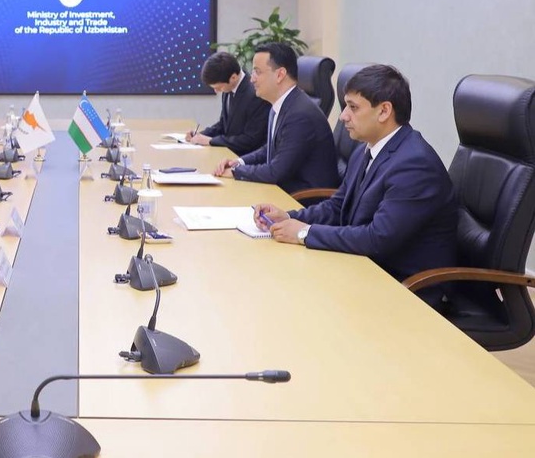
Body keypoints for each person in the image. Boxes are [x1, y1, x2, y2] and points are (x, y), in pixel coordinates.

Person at [252, 65, 458, 301]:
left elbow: (377, 238)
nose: (343, 116)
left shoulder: (415, 165)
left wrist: (303, 233)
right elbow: (337, 206)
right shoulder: (365, 150)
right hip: (365, 267)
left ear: (384, 111)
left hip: (407, 288)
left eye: (353, 107)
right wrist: (288, 217)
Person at [214, 43, 338, 194]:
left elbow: (276, 172)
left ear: (280, 75)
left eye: (257, 72)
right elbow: (270, 149)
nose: (252, 79)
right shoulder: (281, 105)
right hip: (282, 190)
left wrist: (237, 172)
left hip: (302, 199)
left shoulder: (300, 115)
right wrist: (239, 162)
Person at [185, 51, 269, 155]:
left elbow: (250, 140)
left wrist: (211, 141)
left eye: (218, 87)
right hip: (228, 153)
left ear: (233, 77)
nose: (216, 91)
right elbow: (223, 124)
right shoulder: (228, 88)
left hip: (245, 157)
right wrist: (200, 135)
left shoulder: (256, 94)